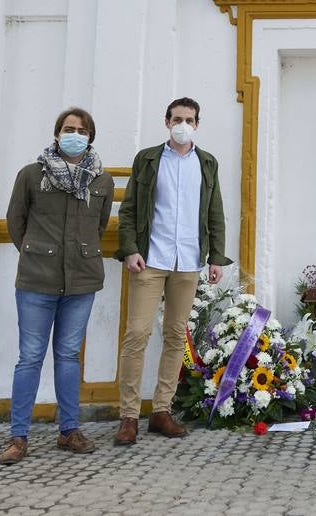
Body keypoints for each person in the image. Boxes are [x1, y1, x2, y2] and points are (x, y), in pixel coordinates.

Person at [0, 107, 114, 465]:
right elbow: (15, 221)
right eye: (68, 128)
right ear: (56, 133)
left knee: (67, 357)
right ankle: (18, 437)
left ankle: (69, 431)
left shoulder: (102, 181)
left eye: (81, 129)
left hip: (81, 281)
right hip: (37, 280)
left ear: (90, 136)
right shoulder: (32, 175)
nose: (74, 134)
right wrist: (38, 254)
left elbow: (99, 226)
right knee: (30, 357)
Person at [113, 97, 231, 445]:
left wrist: (216, 257)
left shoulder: (207, 163)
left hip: (189, 261)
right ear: (166, 122)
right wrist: (131, 249)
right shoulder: (148, 159)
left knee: (176, 335)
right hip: (151, 259)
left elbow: (215, 212)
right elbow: (130, 207)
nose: (183, 124)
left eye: (189, 119)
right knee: (137, 335)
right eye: (177, 118)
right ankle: (129, 417)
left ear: (197, 124)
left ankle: (161, 411)